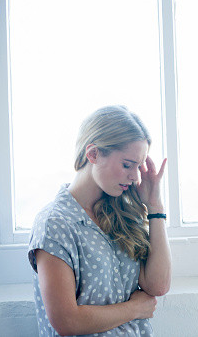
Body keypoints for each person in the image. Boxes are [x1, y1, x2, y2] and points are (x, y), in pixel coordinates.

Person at [28, 105, 171, 336]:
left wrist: (155, 207)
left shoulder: (122, 213)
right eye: (127, 165)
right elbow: (67, 321)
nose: (135, 177)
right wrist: (134, 308)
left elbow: (158, 286)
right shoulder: (55, 224)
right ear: (93, 154)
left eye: (138, 166)